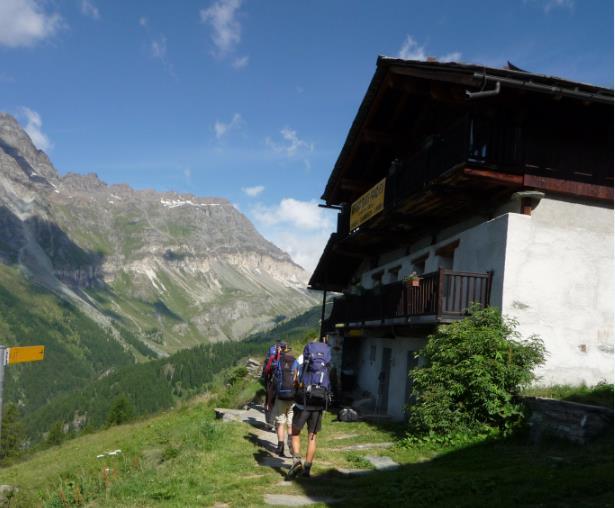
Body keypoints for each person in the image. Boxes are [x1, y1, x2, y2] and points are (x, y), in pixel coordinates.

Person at [286, 337, 331, 480]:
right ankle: (307, 469)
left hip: (303, 402)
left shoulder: (301, 359)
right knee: (312, 436)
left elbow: (295, 379)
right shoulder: (326, 359)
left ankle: (296, 461)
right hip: (319, 402)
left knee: (295, 433)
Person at [264, 343, 296, 456]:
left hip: (281, 396)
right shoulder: (294, 361)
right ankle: (291, 441)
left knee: (280, 421)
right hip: (293, 396)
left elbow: (267, 371)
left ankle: (280, 446)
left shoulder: (276, 361)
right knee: (291, 422)